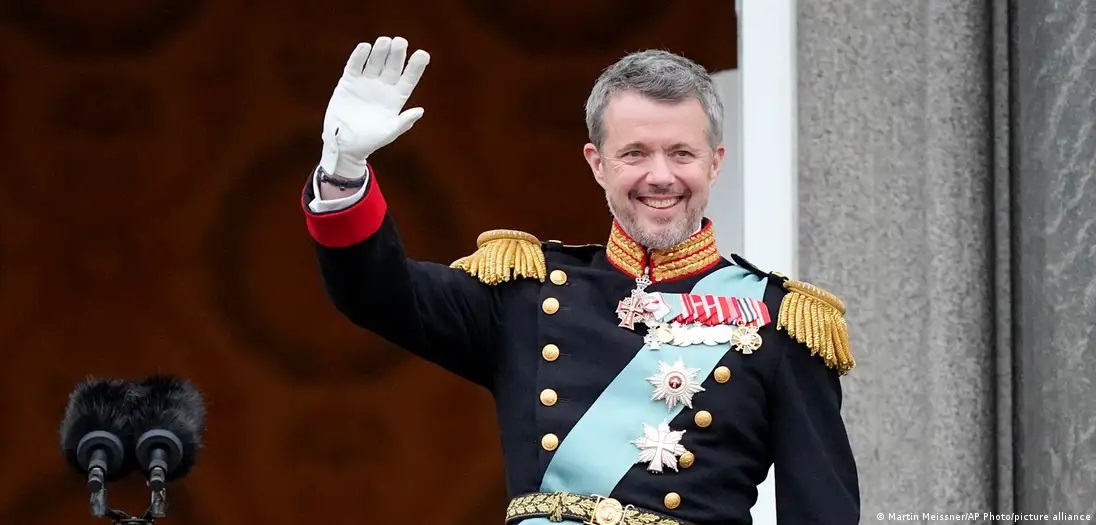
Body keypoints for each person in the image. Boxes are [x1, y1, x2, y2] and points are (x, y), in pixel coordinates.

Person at [302, 36, 861, 525]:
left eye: (681, 154)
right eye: (634, 153)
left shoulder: (781, 324)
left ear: (715, 162)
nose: (660, 176)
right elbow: (375, 293)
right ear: (597, 163)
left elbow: (822, 511)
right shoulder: (526, 294)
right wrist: (343, 170)